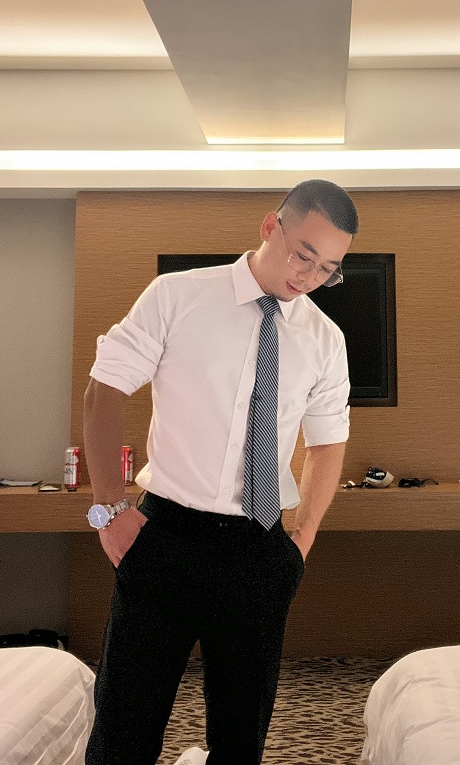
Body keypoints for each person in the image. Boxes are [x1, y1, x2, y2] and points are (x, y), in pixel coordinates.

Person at [83, 179, 359, 765]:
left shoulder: (325, 339)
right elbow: (104, 390)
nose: (309, 276)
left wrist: (301, 540)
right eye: (303, 255)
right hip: (164, 537)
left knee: (240, 741)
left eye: (328, 269)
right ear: (270, 227)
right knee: (125, 730)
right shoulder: (177, 296)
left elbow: (328, 442)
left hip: (258, 547)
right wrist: (109, 510)